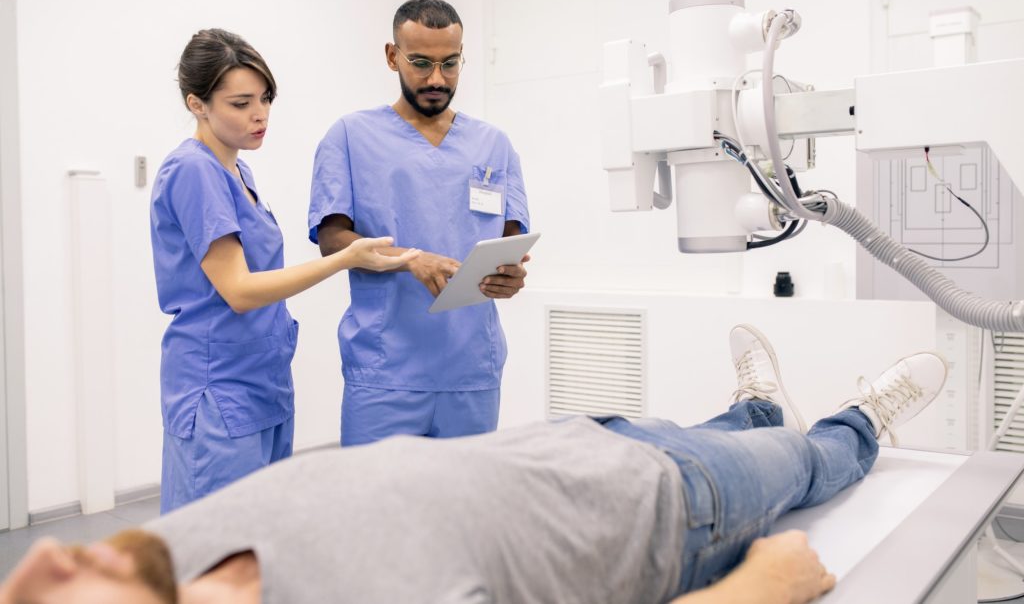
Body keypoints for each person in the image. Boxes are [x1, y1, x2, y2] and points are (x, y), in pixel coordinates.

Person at [0, 325, 948, 603]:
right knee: (801, 460)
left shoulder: (155, 559)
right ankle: (860, 419)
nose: (44, 564)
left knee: (727, 427)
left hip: (571, 440)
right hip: (665, 509)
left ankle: (751, 404)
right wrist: (765, 589)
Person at [150, 29, 419, 514]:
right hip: (218, 387)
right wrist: (344, 258)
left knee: (260, 541)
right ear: (197, 104)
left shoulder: (238, 173)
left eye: (266, 99)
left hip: (261, 378)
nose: (260, 114)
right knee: (214, 552)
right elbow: (238, 290)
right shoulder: (193, 171)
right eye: (241, 103)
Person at [307, 0, 531, 446]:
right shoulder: (351, 136)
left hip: (471, 368)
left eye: (450, 64)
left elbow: (511, 238)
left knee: (464, 510)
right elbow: (332, 240)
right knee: (379, 510)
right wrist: (410, 258)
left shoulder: (493, 144)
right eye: (421, 62)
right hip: (386, 369)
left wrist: (512, 275)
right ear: (392, 57)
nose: (436, 78)